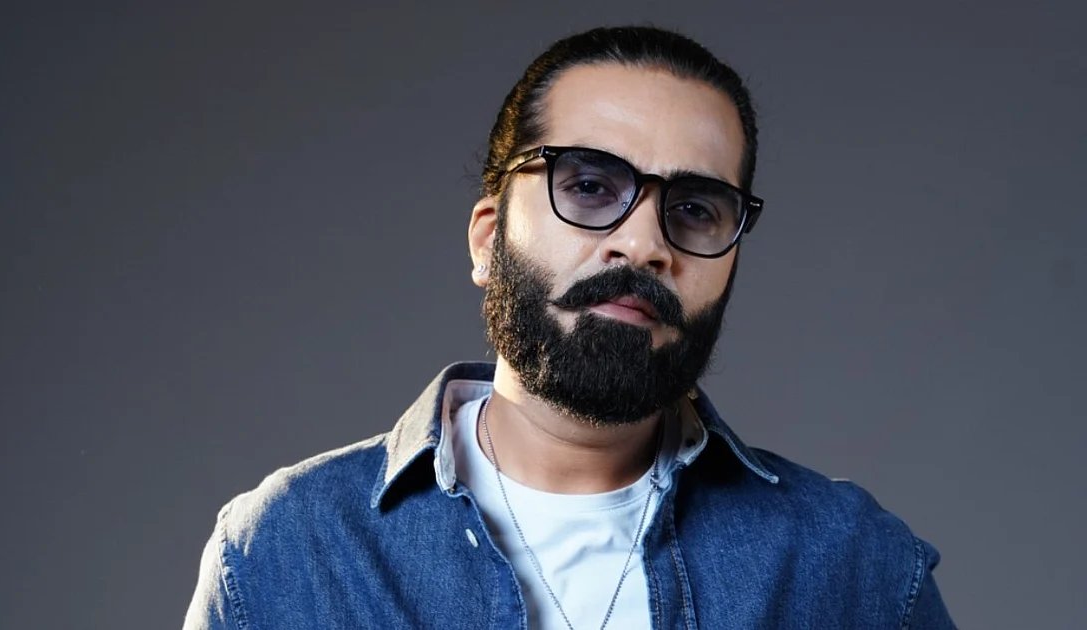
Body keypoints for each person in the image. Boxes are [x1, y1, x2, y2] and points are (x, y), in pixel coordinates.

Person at [183, 26, 955, 629]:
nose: (643, 244)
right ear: (489, 239)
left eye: (693, 209)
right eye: (588, 186)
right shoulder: (290, 550)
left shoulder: (854, 565)